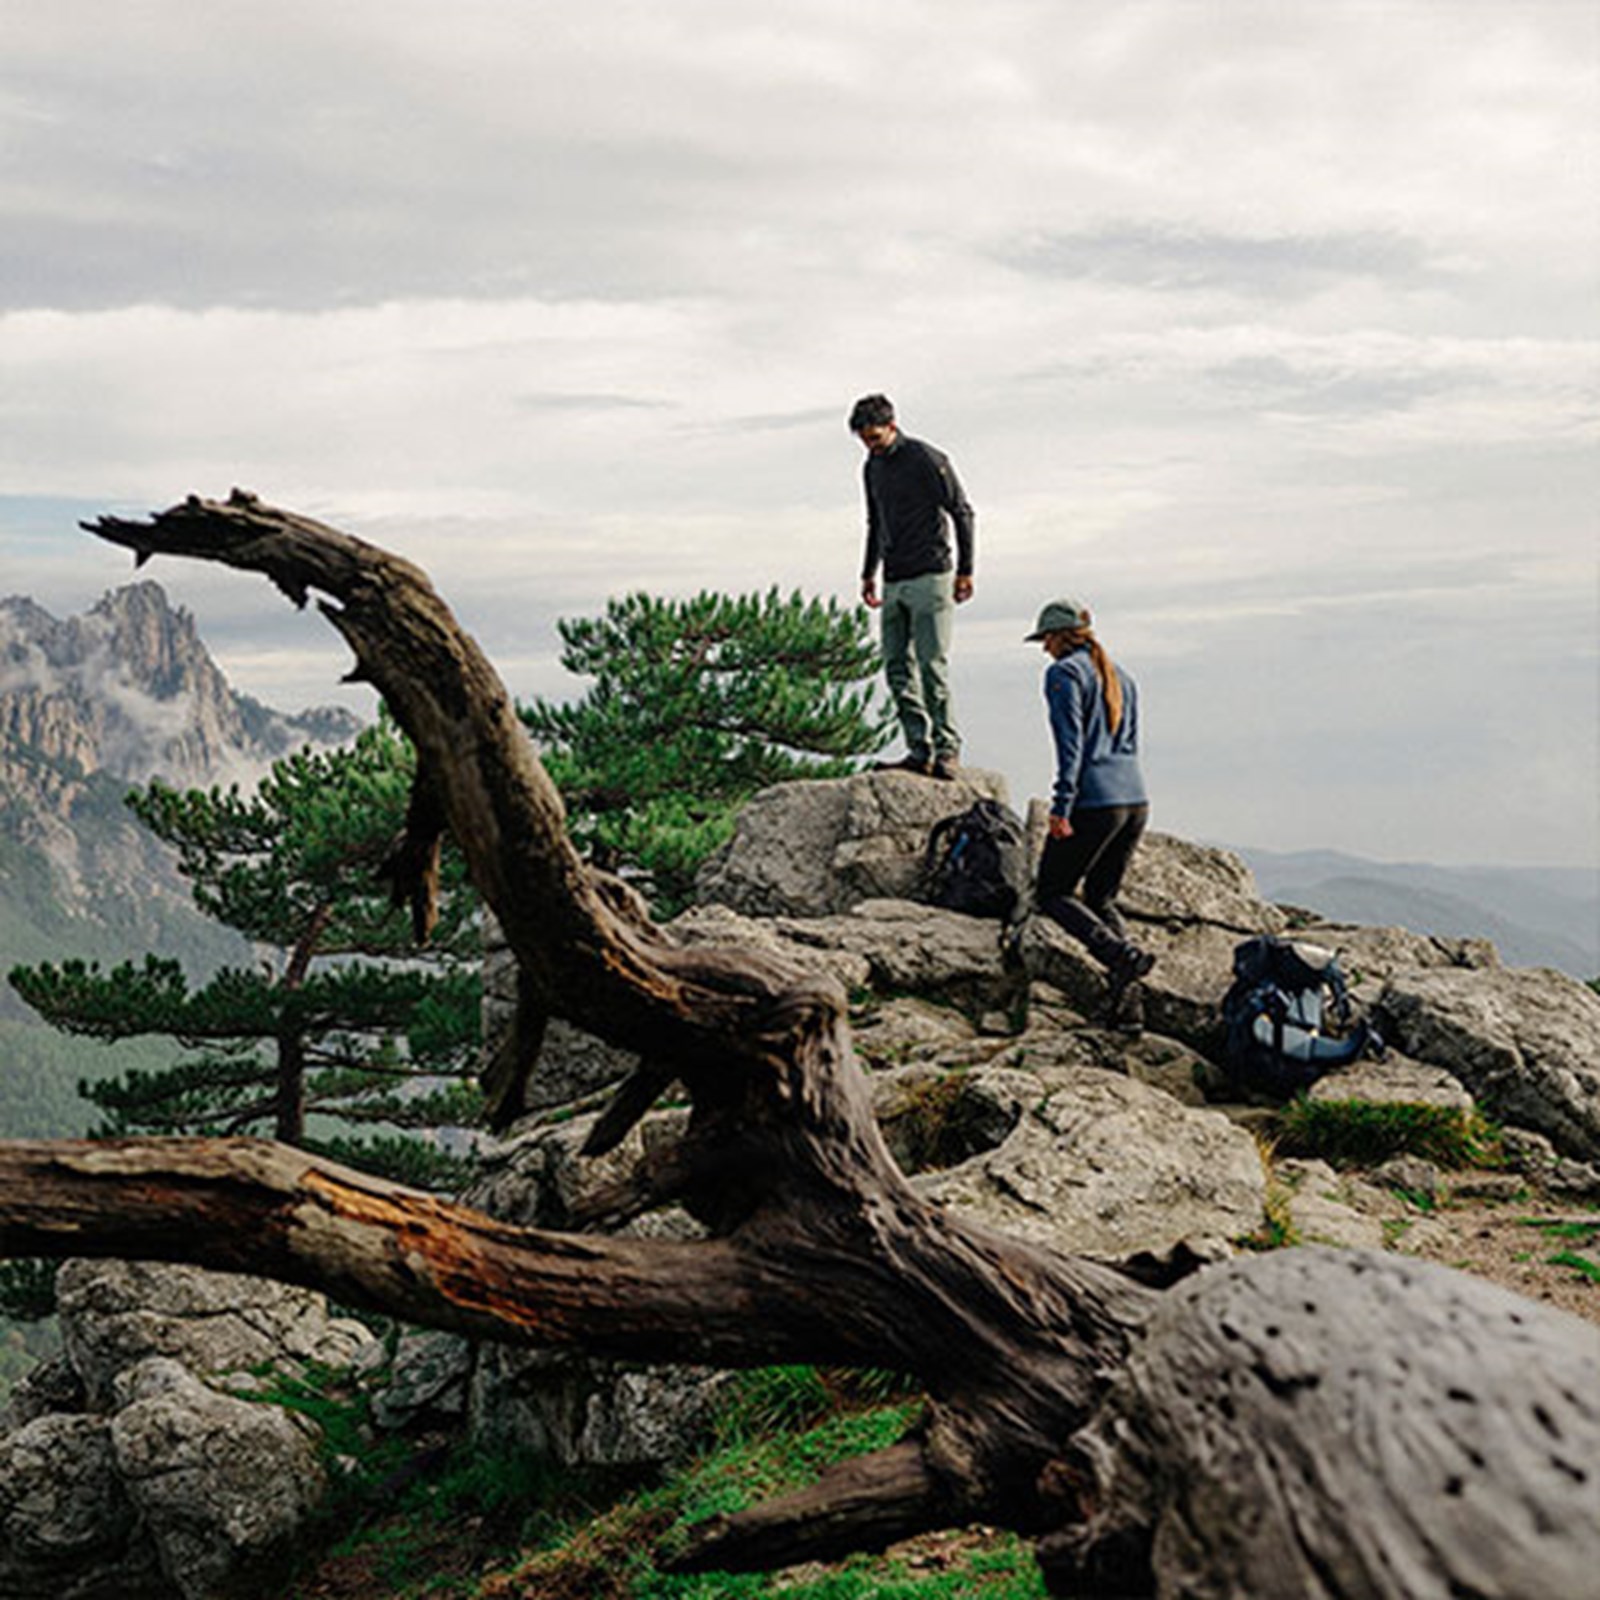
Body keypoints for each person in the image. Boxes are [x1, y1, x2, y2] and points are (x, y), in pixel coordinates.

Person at [1026, 597, 1156, 1019]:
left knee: (1053, 893)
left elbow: (1071, 746)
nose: (1044, 649)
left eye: (1046, 639)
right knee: (1101, 898)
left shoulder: (1064, 674)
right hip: (1134, 801)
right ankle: (1129, 1008)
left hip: (1094, 802)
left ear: (1060, 637)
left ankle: (1118, 954)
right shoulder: (1122, 677)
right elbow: (1129, 742)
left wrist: (1062, 805)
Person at [849, 393, 974, 780]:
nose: (870, 445)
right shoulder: (871, 467)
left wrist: (965, 571)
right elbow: (875, 522)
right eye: (863, 439)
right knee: (896, 667)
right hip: (893, 577)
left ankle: (947, 748)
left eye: (874, 437)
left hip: (931, 574)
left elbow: (962, 512)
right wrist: (868, 572)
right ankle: (919, 749)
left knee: (931, 664)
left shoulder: (926, 458)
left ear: (892, 425)